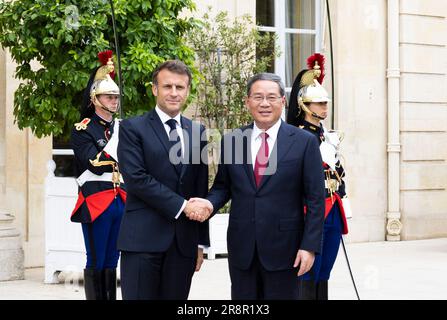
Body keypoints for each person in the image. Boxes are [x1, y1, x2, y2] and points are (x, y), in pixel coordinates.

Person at [192, 73, 326, 299]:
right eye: (258, 97)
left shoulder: (304, 142)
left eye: (271, 97)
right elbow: (223, 187)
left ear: (283, 101)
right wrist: (208, 203)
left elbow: (315, 199)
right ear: (247, 102)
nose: (265, 103)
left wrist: (309, 246)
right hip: (242, 248)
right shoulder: (233, 140)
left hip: (286, 249)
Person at [116, 60, 210, 300]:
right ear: (155, 89)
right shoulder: (132, 128)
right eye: (167, 86)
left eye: (180, 87)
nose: (174, 93)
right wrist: (183, 206)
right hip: (142, 241)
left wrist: (200, 243)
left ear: (187, 91)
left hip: (183, 245)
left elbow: (200, 187)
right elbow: (137, 179)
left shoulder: (197, 132)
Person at [287, 53, 350, 300]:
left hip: (333, 207)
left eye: (326, 102)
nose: (325, 107)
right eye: (319, 103)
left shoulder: (326, 135)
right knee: (308, 271)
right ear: (305, 105)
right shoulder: (298, 136)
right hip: (311, 210)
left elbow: (337, 172)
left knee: (325, 271)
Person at [71, 50, 126, 300]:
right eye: (109, 96)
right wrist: (120, 142)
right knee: (96, 258)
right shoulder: (82, 128)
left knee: (112, 260)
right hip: (96, 199)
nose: (114, 100)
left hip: (120, 199)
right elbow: (95, 163)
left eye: (116, 96)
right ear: (95, 98)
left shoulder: (121, 127)